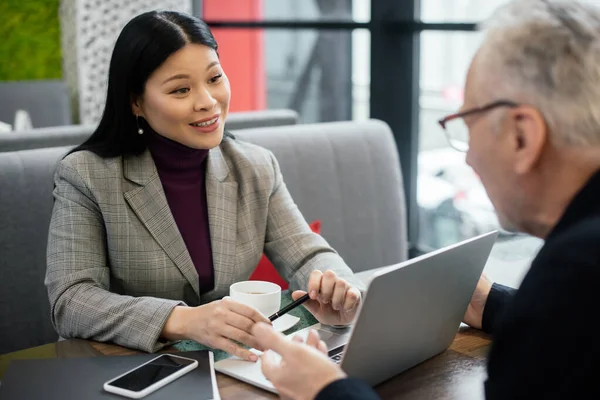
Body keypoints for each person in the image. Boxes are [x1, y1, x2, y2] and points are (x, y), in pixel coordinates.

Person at [251, 1, 600, 398]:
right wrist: (491, 304)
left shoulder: (573, 274)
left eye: (468, 126)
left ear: (523, 137)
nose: (468, 157)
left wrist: (326, 391)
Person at [45, 11, 363, 361]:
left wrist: (339, 292)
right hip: (129, 369)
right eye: (181, 89)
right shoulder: (87, 175)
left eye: (214, 78)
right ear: (136, 101)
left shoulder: (255, 166)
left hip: (234, 367)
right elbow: (71, 300)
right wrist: (183, 320)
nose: (207, 101)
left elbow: (306, 253)